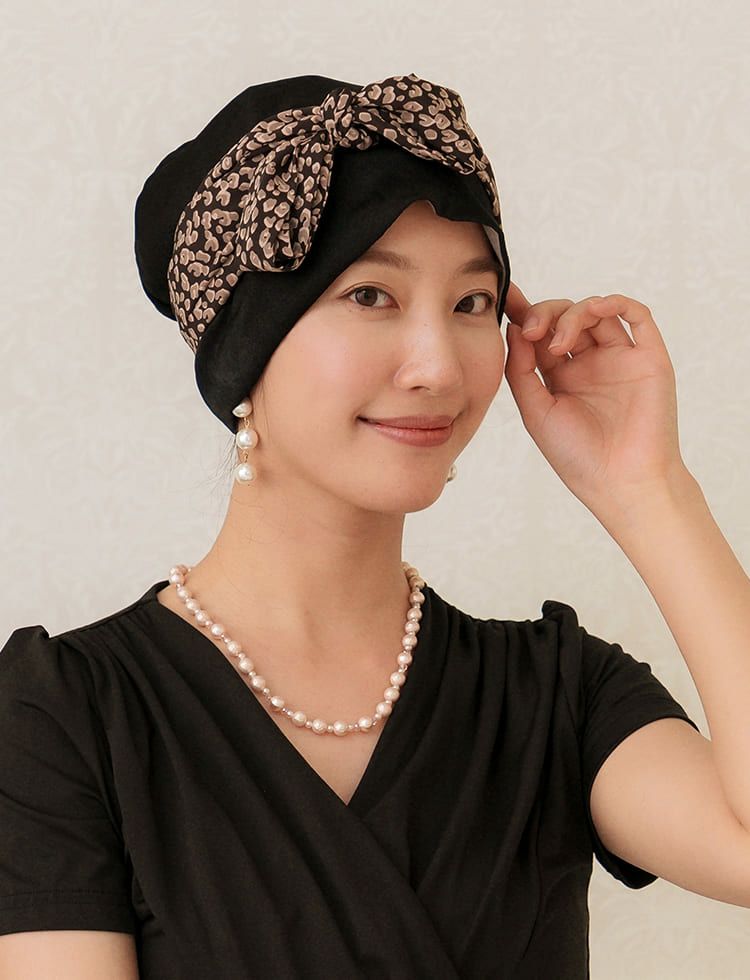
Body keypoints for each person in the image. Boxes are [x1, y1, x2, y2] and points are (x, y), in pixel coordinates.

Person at [2, 71, 749, 980]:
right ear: (245, 349)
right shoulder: (66, 716)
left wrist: (649, 489)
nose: (438, 367)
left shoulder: (558, 692)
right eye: (370, 296)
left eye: (472, 303)